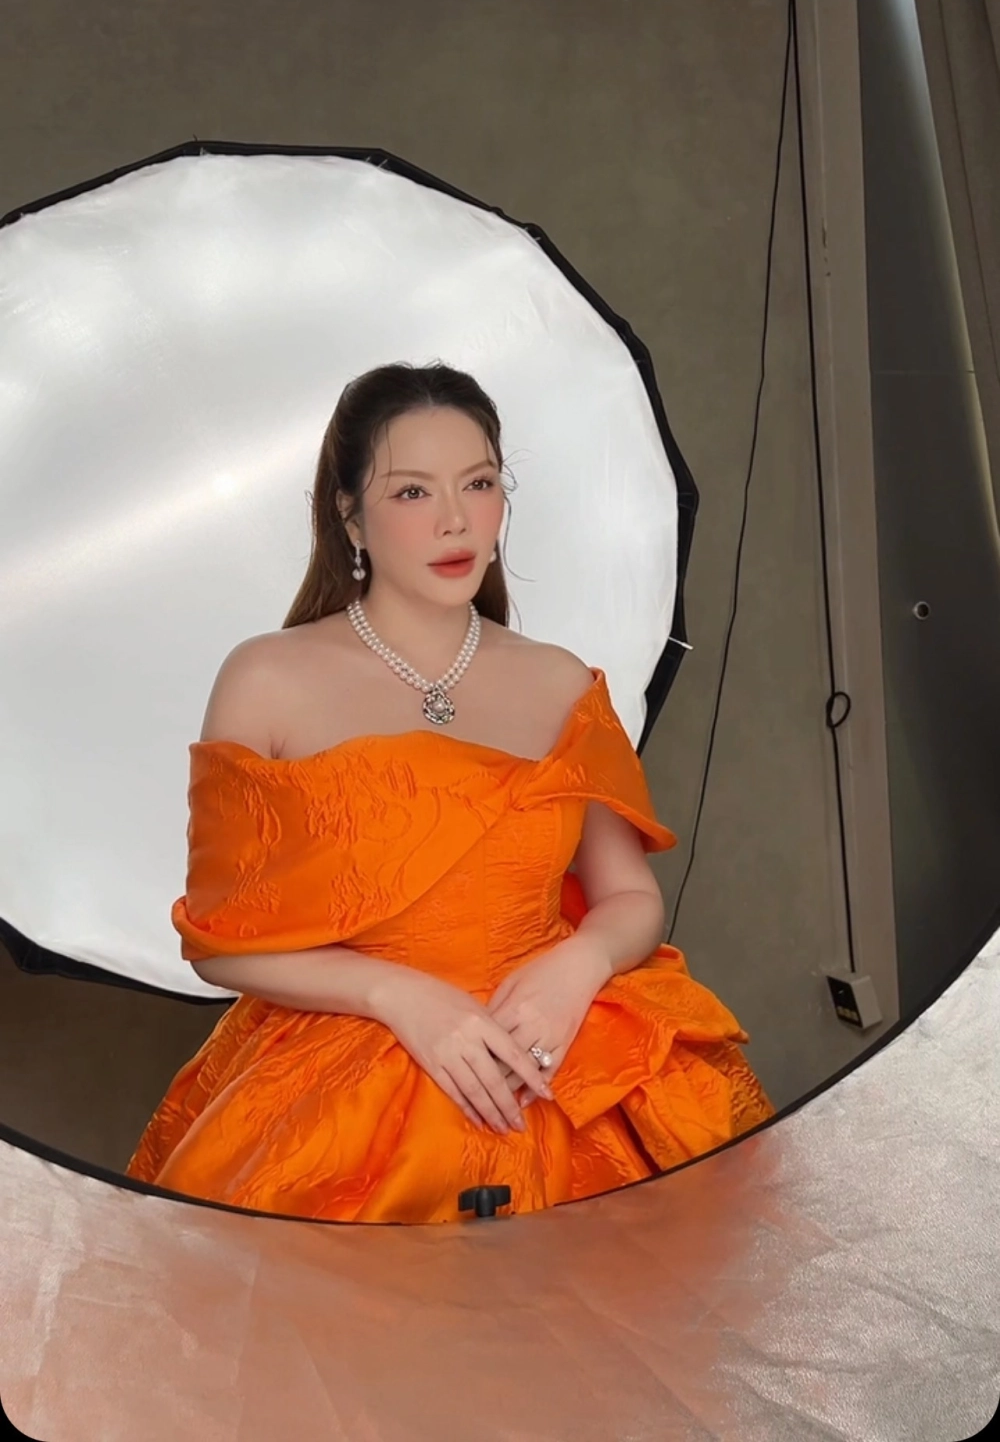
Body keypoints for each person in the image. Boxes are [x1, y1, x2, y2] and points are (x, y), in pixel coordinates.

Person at [127, 361, 773, 1222]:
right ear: (348, 515)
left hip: (557, 1046)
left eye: (479, 483)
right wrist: (396, 995)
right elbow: (218, 943)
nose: (456, 520)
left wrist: (579, 965)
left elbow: (629, 897)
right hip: (344, 1075)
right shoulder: (267, 679)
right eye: (412, 492)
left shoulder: (561, 682)